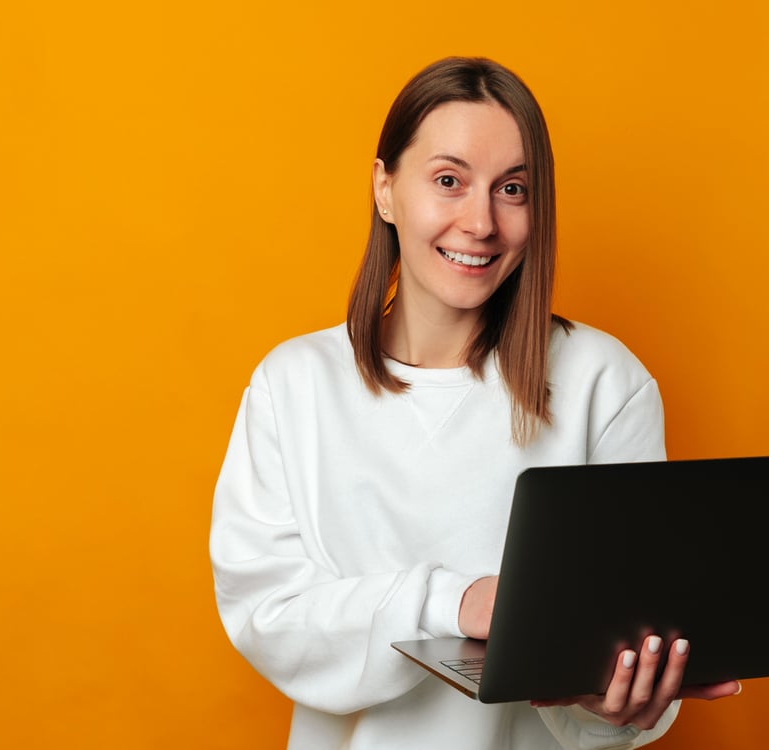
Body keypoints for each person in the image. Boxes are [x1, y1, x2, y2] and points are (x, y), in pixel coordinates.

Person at [210, 56, 740, 750]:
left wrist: (616, 702)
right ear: (385, 189)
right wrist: (456, 603)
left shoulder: (603, 382)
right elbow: (268, 615)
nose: (480, 222)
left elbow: (621, 650)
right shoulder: (293, 385)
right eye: (448, 181)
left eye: (512, 188)